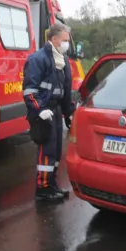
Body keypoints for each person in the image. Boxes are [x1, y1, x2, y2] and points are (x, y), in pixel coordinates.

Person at [22, 23, 74, 203]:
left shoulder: (62, 60)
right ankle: (43, 188)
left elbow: (66, 90)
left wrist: (69, 113)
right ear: (54, 39)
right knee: (46, 150)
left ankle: (51, 184)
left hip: (56, 110)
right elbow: (29, 91)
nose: (67, 44)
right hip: (44, 111)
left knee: (56, 150)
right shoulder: (39, 59)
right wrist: (39, 110)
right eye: (65, 40)